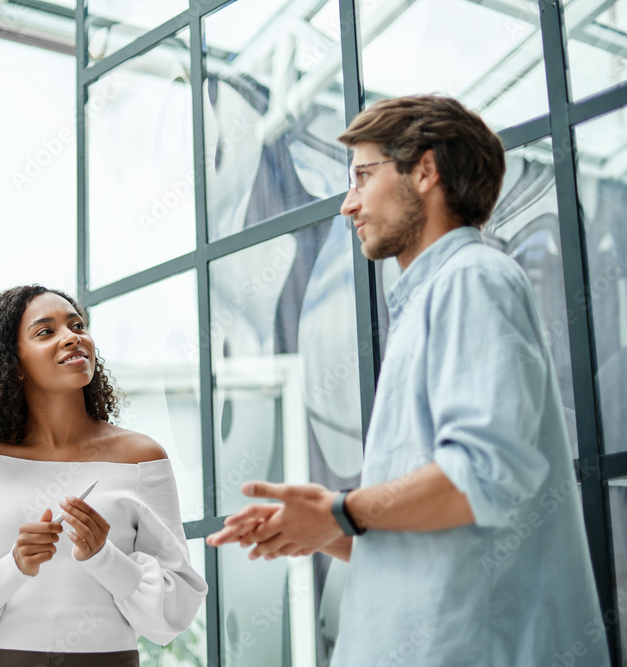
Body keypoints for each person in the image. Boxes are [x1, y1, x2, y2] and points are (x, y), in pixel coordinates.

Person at [207, 96, 611, 666]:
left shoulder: (472, 281)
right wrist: (329, 529)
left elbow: (484, 476)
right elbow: (442, 521)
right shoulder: (434, 300)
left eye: (363, 177)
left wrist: (341, 511)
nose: (348, 204)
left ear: (425, 171)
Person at [0, 285, 207, 667]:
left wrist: (103, 556)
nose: (72, 337)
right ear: (13, 363)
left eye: (77, 325)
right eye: (45, 331)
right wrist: (15, 565)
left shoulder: (141, 459)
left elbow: (174, 613)